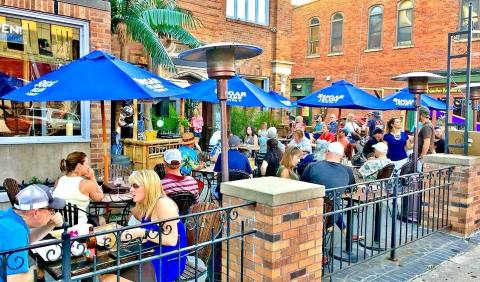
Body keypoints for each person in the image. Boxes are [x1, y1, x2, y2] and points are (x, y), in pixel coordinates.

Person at [120, 170, 187, 282]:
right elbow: (136, 216)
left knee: (108, 278)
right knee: (107, 273)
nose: (131, 189)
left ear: (149, 187)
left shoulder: (163, 204)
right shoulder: (148, 204)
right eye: (131, 186)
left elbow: (171, 240)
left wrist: (141, 232)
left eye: (135, 186)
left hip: (167, 261)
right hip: (150, 255)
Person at [0, 184, 64, 281]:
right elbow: (15, 279)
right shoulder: (16, 231)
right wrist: (37, 270)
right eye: (51, 209)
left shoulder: (8, 219)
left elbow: (26, 240)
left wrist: (50, 224)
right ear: (36, 212)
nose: (53, 213)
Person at [300, 142, 359, 240]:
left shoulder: (312, 166)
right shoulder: (348, 170)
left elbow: (301, 186)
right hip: (331, 216)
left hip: (311, 212)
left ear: (327, 152)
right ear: (341, 156)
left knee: (330, 201)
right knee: (334, 201)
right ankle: (344, 232)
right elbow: (352, 189)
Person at [53, 151, 104, 224]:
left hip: (60, 226)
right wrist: (92, 178)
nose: (88, 167)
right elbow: (100, 198)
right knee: (101, 220)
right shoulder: (86, 184)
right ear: (79, 166)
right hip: (79, 228)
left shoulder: (58, 181)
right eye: (86, 164)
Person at [418, 106, 435, 171]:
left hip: (426, 156)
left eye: (418, 114)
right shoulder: (426, 125)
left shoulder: (426, 126)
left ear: (421, 115)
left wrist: (422, 155)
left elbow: (427, 142)